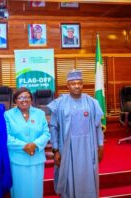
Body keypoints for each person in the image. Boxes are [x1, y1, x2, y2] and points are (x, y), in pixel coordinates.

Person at [47, 70, 104, 198]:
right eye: (73, 83)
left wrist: (100, 146)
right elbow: (53, 127)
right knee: (68, 177)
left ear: (83, 84)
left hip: (88, 147)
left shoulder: (92, 102)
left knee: (88, 175)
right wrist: (55, 150)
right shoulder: (59, 103)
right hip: (67, 148)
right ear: (67, 85)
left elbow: (98, 126)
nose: (77, 86)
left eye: (79, 83)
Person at [4, 87, 50, 198]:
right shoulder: (8, 115)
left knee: (36, 190)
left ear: (31, 99)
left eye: (27, 97)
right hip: (17, 159)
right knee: (20, 191)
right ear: (15, 100)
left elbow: (46, 133)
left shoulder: (39, 113)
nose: (24, 100)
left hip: (36, 158)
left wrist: (34, 145)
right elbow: (6, 136)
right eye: (20, 97)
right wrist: (24, 146)